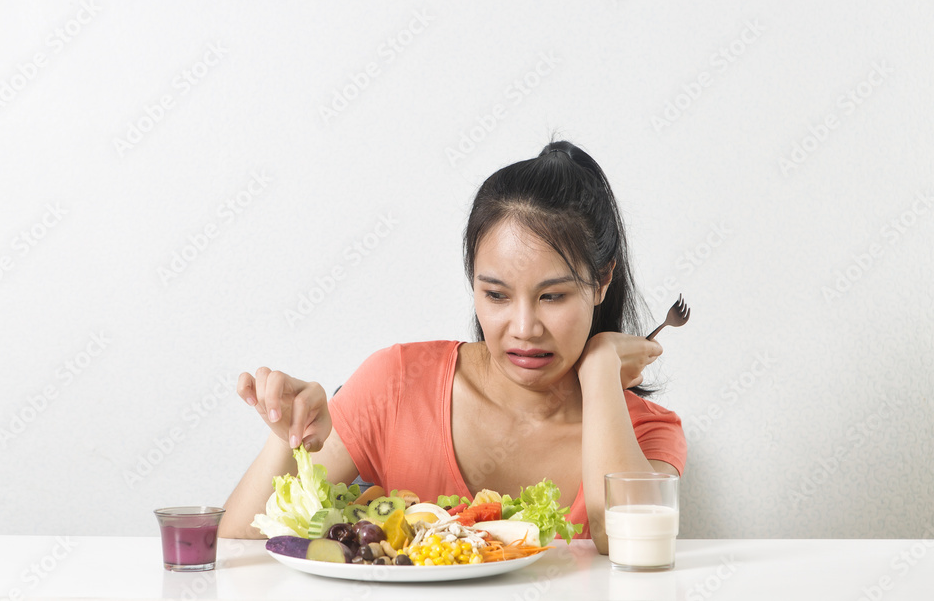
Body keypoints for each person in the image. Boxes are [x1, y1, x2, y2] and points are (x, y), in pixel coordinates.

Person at [220, 140, 686, 555]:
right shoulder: (398, 383)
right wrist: (288, 435)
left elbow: (626, 543)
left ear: (603, 279)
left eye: (552, 296)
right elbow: (239, 544)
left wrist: (601, 370)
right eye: (497, 295)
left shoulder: (646, 433)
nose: (524, 328)